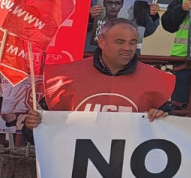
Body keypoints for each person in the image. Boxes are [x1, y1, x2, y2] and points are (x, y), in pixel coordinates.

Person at [23, 19, 174, 132]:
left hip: (128, 167)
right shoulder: (65, 78)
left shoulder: (154, 81)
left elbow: (171, 132)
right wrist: (31, 125)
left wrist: (163, 118)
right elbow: (40, 129)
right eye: (120, 42)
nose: (127, 48)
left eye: (133, 43)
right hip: (75, 166)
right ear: (101, 41)